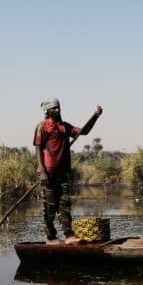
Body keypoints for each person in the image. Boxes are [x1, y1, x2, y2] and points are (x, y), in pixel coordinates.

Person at [34, 98, 102, 244]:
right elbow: (38, 148)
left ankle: (69, 236)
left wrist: (96, 116)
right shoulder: (42, 126)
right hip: (48, 174)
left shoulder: (64, 127)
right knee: (49, 207)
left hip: (62, 173)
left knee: (65, 205)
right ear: (47, 111)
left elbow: (84, 131)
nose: (57, 110)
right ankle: (51, 237)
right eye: (54, 108)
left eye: (58, 107)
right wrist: (43, 171)